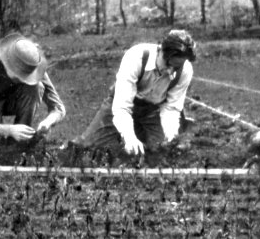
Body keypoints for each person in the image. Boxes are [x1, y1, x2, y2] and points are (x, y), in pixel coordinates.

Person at [65, 29, 196, 161]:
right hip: (122, 104)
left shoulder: (185, 71)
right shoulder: (136, 57)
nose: (170, 70)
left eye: (176, 67)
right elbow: (122, 107)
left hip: (152, 112)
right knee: (89, 148)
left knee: (163, 153)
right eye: (168, 63)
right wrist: (129, 137)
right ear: (160, 50)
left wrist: (170, 137)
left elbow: (171, 109)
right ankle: (59, 155)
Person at [0, 33, 66, 152]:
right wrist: (8, 130)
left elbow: (58, 108)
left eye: (26, 77)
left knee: (36, 87)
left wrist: (47, 122)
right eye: (19, 77)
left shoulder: (32, 66)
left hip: (14, 102)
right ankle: (7, 139)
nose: (24, 79)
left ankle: (19, 143)